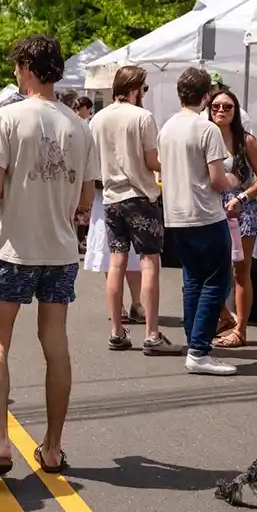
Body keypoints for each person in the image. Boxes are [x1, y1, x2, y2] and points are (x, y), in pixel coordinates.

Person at [0, 35, 98, 480]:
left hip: (14, 247)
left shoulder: (7, 117)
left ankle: (0, 442)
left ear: (26, 67)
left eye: (16, 66)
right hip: (60, 250)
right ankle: (53, 448)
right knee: (55, 345)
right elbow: (86, 199)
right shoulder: (79, 125)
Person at [159, 67, 240, 375]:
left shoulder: (167, 128)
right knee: (217, 281)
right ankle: (199, 349)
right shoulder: (207, 129)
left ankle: (195, 344)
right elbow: (218, 179)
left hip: (176, 216)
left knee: (193, 280)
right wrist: (233, 179)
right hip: (205, 214)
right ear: (206, 96)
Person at [92, 65, 169, 353]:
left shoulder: (98, 119)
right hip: (140, 195)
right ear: (134, 89)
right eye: (144, 88)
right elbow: (151, 160)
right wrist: (171, 163)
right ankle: (151, 333)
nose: (144, 93)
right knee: (149, 262)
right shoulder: (142, 117)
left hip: (111, 197)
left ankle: (116, 331)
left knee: (116, 263)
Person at [208, 87, 257, 350]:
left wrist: (242, 198)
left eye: (227, 106)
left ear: (235, 111)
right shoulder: (204, 136)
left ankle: (240, 329)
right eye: (216, 106)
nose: (221, 110)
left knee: (240, 271)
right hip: (210, 208)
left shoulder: (246, 141)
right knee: (211, 268)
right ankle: (224, 317)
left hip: (240, 209)